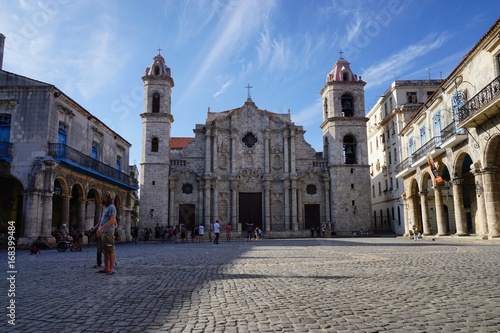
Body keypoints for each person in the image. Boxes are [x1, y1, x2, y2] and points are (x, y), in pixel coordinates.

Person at [96, 193, 117, 275]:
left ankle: (111, 269)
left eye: (103, 199)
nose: (102, 201)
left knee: (110, 250)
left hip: (108, 232)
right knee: (105, 251)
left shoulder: (112, 207)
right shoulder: (106, 208)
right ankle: (106, 267)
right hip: (103, 233)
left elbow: (112, 220)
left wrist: (101, 228)